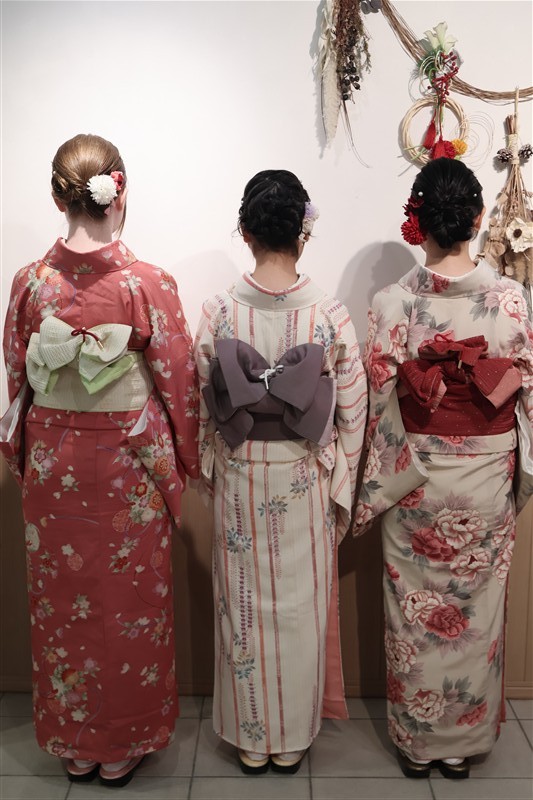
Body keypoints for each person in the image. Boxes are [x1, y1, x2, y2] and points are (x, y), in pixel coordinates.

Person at [1, 134, 199, 787]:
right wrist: (188, 458)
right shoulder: (148, 283)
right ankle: (123, 743)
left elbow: (16, 378)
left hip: (52, 459)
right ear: (120, 191)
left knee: (62, 601)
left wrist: (19, 453)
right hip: (127, 463)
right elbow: (177, 382)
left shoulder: (30, 283)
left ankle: (75, 741)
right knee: (129, 598)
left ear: (57, 197)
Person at [354, 157, 533, 779]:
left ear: (417, 220)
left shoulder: (392, 302)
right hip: (485, 480)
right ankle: (463, 742)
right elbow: (527, 394)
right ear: (478, 219)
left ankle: (417, 742)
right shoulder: (511, 300)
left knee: (415, 610)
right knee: (475, 613)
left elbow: (377, 396)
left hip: (416, 482)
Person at [194, 169, 367, 774]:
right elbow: (353, 408)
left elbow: (202, 402)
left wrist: (213, 466)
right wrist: (340, 478)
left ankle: (251, 736)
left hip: (242, 470)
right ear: (303, 233)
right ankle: (291, 736)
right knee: (299, 608)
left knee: (241, 605)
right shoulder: (330, 313)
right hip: (303, 476)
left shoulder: (218, 312)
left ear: (245, 231)